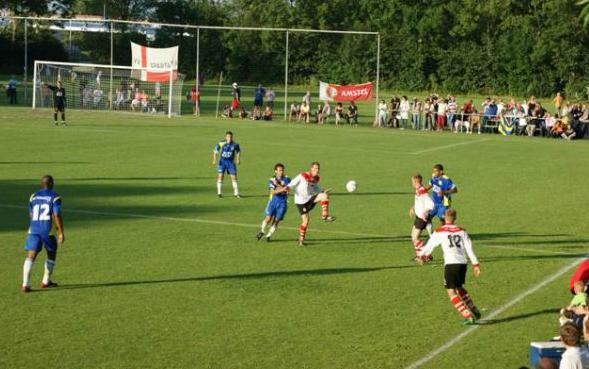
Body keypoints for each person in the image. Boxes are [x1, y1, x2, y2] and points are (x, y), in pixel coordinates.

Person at [417, 208, 482, 324]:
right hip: (462, 264)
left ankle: (467, 316)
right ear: (455, 219)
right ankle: (474, 309)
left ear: (444, 218)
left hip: (451, 264)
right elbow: (469, 249)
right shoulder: (462, 231)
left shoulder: (440, 231)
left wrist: (420, 255)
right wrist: (476, 264)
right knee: (459, 287)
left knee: (451, 291)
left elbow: (429, 246)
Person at [21, 175, 65, 293]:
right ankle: (45, 281)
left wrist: (36, 224)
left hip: (34, 229)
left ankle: (25, 284)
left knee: (31, 256)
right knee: (51, 254)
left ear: (41, 184)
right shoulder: (55, 197)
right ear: (52, 184)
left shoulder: (33, 196)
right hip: (48, 231)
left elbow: (31, 214)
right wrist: (61, 232)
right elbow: (56, 215)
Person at [287, 162, 335, 246]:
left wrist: (323, 191)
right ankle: (301, 240)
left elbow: (316, 188)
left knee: (324, 196)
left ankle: (325, 216)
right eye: (315, 168)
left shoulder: (315, 179)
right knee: (305, 221)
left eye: (318, 169)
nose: (317, 170)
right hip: (300, 202)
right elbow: (292, 184)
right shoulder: (302, 176)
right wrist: (286, 189)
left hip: (309, 199)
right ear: (311, 168)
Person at [256, 163, 291, 242]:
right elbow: (273, 192)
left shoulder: (287, 178)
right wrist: (283, 188)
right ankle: (262, 231)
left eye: (282, 170)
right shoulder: (272, 179)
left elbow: (289, 189)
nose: (280, 172)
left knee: (276, 220)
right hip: (273, 201)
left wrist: (280, 187)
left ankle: (268, 235)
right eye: (279, 170)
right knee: (268, 218)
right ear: (275, 171)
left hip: (283, 203)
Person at [409, 174, 434, 262]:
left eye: (412, 182)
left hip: (422, 218)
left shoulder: (422, 191)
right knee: (413, 237)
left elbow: (431, 204)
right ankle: (426, 255)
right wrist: (413, 207)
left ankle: (422, 255)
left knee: (415, 238)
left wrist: (425, 212)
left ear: (416, 182)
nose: (411, 183)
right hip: (418, 217)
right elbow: (420, 202)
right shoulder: (418, 190)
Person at [212, 131, 241, 198]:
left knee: (234, 177)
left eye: (230, 137)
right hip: (222, 162)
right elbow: (215, 151)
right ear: (225, 137)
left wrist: (238, 159)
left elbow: (238, 151)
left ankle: (236, 193)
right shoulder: (221, 143)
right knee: (220, 176)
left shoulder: (235, 144)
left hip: (230, 162)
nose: (229, 138)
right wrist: (214, 160)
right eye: (228, 137)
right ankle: (219, 193)